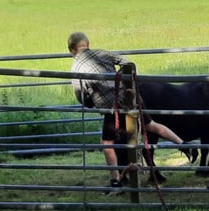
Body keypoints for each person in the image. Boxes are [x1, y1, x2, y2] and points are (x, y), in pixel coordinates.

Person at [67, 32, 190, 187]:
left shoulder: (76, 67)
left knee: (107, 143)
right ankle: (183, 144)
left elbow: (81, 96)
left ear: (71, 50)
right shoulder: (102, 53)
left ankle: (116, 180)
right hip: (131, 97)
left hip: (112, 108)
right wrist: (127, 81)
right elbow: (127, 63)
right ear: (88, 44)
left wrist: (91, 101)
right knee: (150, 125)